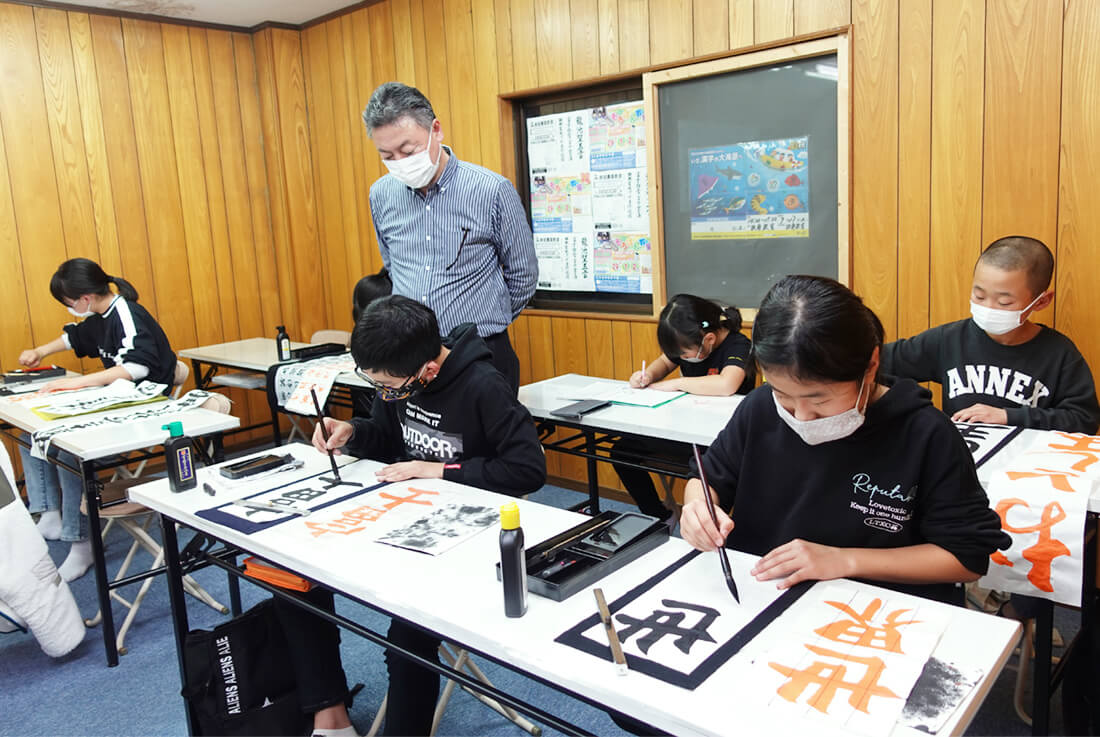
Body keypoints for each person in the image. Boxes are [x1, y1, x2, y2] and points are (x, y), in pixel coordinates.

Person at [279, 295, 546, 737]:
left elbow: (527, 469)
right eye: (378, 385)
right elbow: (385, 436)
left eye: (391, 386)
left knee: (409, 636)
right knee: (294, 573)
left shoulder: (483, 385)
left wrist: (439, 470)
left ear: (428, 368)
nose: (386, 394)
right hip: (404, 514)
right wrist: (351, 433)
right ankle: (330, 715)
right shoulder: (398, 379)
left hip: (469, 535)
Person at [681, 275, 1009, 605]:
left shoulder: (926, 434)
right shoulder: (759, 408)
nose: (802, 416)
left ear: (871, 366)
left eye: (820, 401)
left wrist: (844, 560)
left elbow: (966, 559)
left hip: (870, 612)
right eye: (785, 396)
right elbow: (708, 478)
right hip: (760, 597)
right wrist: (698, 508)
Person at [362, 82, 538, 393]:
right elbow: (393, 265)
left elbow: (523, 275)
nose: (399, 161)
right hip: (410, 357)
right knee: (416, 442)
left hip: (480, 354)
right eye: (386, 154)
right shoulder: (381, 194)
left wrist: (484, 320)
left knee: (485, 441)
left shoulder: (491, 190)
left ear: (436, 130)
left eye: (408, 149)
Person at [17, 258, 177, 581]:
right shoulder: (102, 316)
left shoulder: (128, 315)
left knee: (68, 452)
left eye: (68, 303)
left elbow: (138, 368)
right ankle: (49, 512)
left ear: (85, 299)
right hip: (116, 406)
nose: (69, 309)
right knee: (29, 432)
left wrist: (74, 383)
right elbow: (74, 338)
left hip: (143, 413)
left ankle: (80, 542)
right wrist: (40, 352)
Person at [881, 235, 1100, 434]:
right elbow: (877, 361)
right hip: (963, 461)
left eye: (1004, 302)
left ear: (1041, 301)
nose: (989, 307)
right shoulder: (949, 339)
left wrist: (1008, 416)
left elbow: (1084, 419)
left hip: (1028, 466)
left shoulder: (1059, 353)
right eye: (979, 296)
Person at [610, 294, 755, 527]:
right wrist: (646, 376)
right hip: (684, 431)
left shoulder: (739, 345)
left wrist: (677, 384)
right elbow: (664, 364)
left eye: (685, 354)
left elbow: (727, 384)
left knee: (708, 475)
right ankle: (660, 515)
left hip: (719, 441)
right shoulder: (688, 342)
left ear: (708, 339)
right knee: (622, 451)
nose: (682, 358)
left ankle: (714, 528)